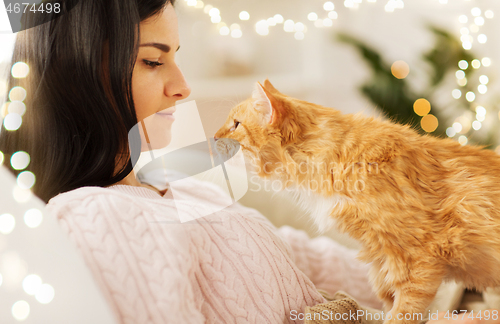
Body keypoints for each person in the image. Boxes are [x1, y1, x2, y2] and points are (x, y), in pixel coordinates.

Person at [0, 0, 495, 323]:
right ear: (80, 76)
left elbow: (305, 259)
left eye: (176, 55)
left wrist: (451, 292)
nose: (183, 85)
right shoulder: (94, 215)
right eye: (153, 60)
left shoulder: (182, 187)